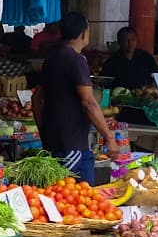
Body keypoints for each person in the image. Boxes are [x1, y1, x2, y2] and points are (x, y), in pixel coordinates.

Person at [36, 13, 125, 179]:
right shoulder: (76, 60)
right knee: (76, 196)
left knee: (62, 195)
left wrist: (43, 129)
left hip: (56, 142)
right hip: (72, 145)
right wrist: (109, 136)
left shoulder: (51, 59)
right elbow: (89, 102)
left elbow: (36, 99)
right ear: (84, 33)